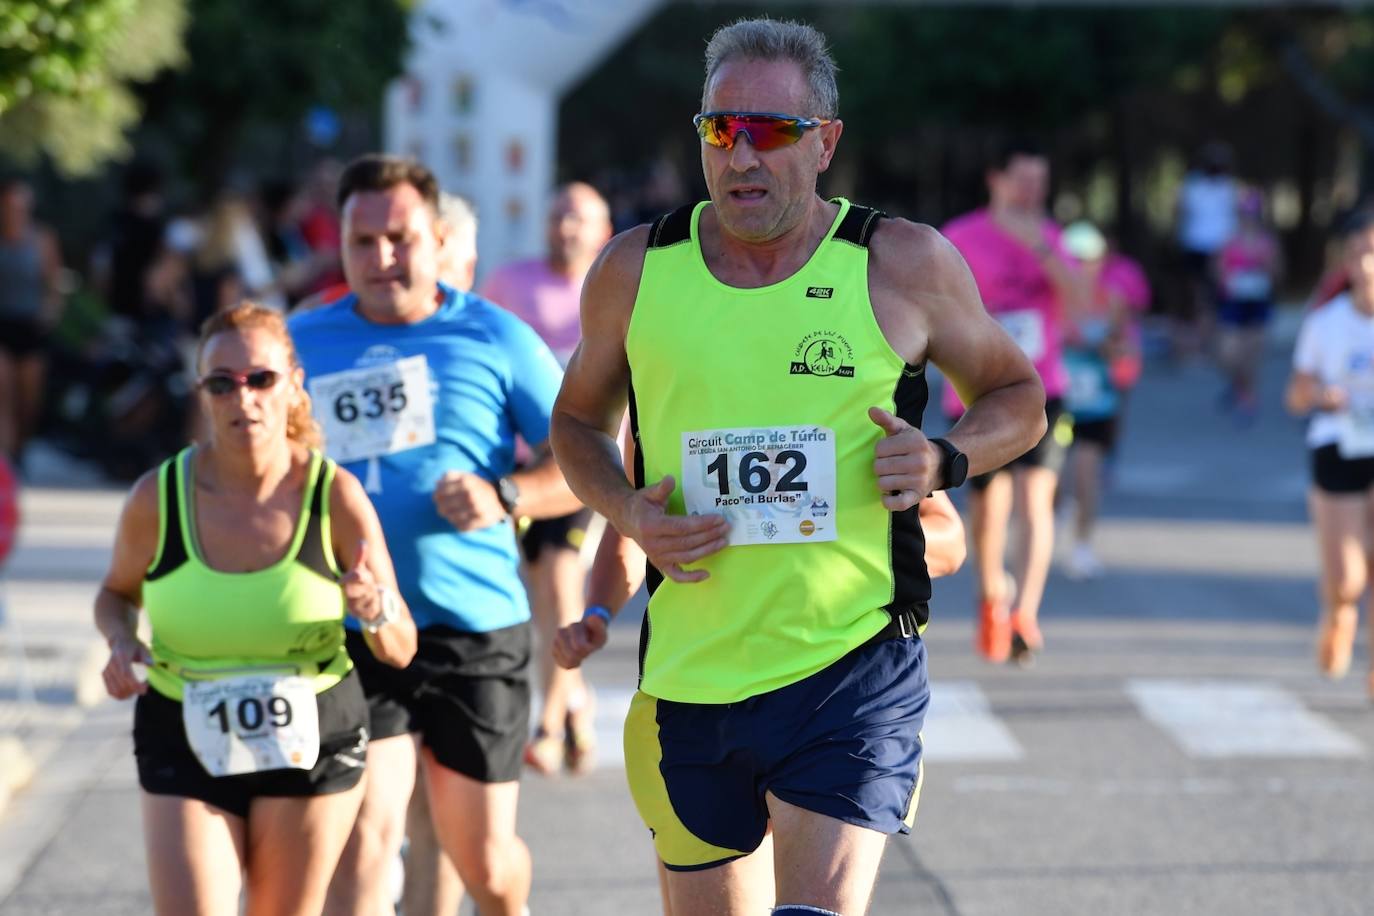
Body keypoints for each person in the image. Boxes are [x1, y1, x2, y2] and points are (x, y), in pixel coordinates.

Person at [549, 18, 1045, 915]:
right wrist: (629, 514)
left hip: (851, 666)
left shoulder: (900, 263)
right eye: (719, 130)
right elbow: (577, 423)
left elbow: (1018, 394)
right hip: (690, 677)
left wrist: (944, 457)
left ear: (824, 142)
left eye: (770, 132)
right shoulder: (636, 269)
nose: (741, 155)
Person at [289, 155, 579, 916]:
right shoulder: (299, 345)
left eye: (400, 237)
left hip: (472, 629)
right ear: (341, 245)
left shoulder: (494, 336)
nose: (382, 258)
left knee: (481, 859)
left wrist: (505, 494)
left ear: (437, 238)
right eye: (363, 241)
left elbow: (586, 460)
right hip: (352, 626)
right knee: (363, 837)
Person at [93, 303, 417, 916]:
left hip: (312, 731)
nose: (243, 398)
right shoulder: (157, 498)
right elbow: (114, 594)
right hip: (183, 721)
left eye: (261, 379)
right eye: (223, 383)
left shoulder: (334, 496)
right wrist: (120, 640)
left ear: (294, 385)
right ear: (202, 393)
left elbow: (401, 646)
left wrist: (375, 610)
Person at [480, 182, 613, 776]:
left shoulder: (616, 288)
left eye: (579, 219)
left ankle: (547, 723)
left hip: (589, 457)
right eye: (558, 215)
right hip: (522, 462)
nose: (566, 228)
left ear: (603, 231)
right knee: (543, 593)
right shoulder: (508, 285)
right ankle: (575, 702)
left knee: (561, 571)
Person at [941, 139, 1085, 664]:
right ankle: (991, 596)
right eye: (1022, 182)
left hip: (1045, 390)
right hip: (976, 393)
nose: (1031, 193)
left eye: (1040, 185)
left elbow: (1082, 303)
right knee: (989, 510)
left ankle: (1025, 611)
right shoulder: (959, 238)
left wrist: (1044, 250)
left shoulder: (1051, 238)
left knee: (1035, 500)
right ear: (995, 180)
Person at [1285, 210, 1374, 697]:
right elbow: (1295, 395)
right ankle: (1338, 611)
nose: (1367, 265)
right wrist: (1323, 396)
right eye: (1358, 253)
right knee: (1347, 577)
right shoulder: (1326, 322)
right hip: (1338, 445)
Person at [1058, 221, 1133, 580]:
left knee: (1087, 475)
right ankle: (1053, 523)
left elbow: (1123, 350)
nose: (1082, 266)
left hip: (1097, 403)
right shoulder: (1052, 297)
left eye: (1090, 259)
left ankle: (1082, 545)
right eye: (1074, 259)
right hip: (1057, 401)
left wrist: (1106, 348)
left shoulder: (1112, 300)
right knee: (1054, 477)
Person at [0, 178, 64, 468]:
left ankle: (20, 449)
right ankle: (6, 456)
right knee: (3, 390)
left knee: (28, 400)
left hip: (31, 325)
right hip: (3, 322)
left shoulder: (42, 239)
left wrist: (50, 312)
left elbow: (54, 284)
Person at [1215, 188, 1282, 424]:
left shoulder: (1267, 243)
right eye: (1244, 214)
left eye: (1251, 214)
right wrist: (1230, 279)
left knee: (1252, 355)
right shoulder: (1229, 240)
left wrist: (1262, 271)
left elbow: (1276, 273)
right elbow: (1218, 269)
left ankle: (1248, 399)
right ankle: (1237, 385)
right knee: (1229, 354)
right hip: (1234, 303)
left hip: (1258, 303)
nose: (1248, 218)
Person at [1174, 142, 1238, 359]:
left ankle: (1211, 344)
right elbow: (1181, 215)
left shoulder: (1227, 187)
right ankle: (1194, 346)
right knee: (1196, 299)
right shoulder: (1192, 186)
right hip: (1196, 249)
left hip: (1219, 252)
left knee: (1215, 299)